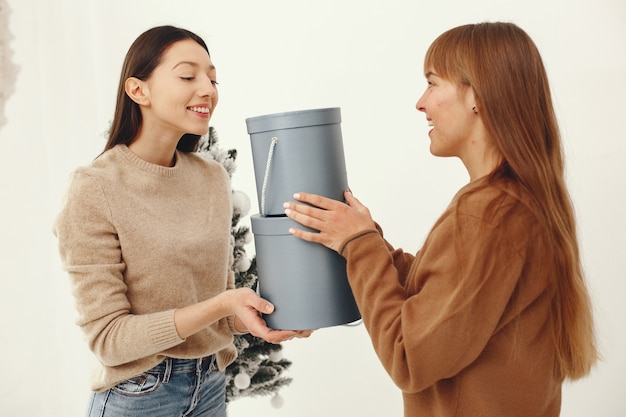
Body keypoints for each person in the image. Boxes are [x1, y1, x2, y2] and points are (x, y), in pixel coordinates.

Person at [284, 22, 598, 416]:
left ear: (477, 96)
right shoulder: (516, 202)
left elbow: (408, 357)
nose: (421, 102)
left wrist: (360, 246)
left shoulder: (488, 215)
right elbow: (451, 302)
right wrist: (367, 241)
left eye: (432, 83)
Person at [54, 25, 310, 417]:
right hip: (138, 396)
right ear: (138, 90)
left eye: (212, 77)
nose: (207, 88)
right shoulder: (94, 188)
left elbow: (220, 308)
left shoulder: (210, 177)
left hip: (209, 386)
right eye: (188, 76)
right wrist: (224, 302)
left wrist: (272, 311)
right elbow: (108, 339)